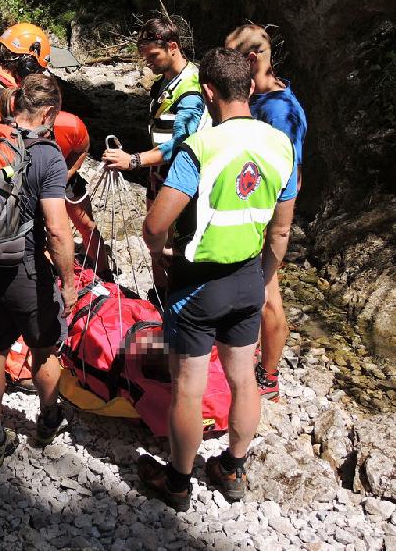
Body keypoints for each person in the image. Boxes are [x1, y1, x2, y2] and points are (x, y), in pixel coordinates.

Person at [139, 47, 297, 510]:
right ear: (249, 87)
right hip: (249, 278)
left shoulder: (201, 147)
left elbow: (155, 224)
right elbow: (281, 230)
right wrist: (264, 277)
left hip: (199, 284)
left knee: (188, 385)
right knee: (244, 378)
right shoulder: (281, 145)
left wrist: (161, 253)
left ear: (208, 92)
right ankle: (232, 467)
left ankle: (177, 482)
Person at [0, 74, 77, 471]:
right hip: (26, 269)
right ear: (47, 112)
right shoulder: (48, 156)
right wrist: (68, 282)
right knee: (43, 346)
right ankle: (48, 421)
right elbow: (57, 229)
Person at [224, 24, 308, 399]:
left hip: (265, 215)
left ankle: (269, 377)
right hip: (248, 209)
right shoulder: (260, 98)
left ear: (251, 58)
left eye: (233, 58)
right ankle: (248, 357)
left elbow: (290, 176)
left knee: (266, 292)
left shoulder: (280, 111)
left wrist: (272, 229)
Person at [102, 17, 206, 303]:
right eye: (144, 56)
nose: (147, 62)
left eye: (153, 55)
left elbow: (181, 144)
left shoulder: (191, 89)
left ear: (173, 46)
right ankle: (159, 295)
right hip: (159, 175)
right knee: (156, 242)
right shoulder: (165, 82)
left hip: (181, 180)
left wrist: (133, 161)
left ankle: (175, 300)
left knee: (175, 246)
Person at [52, 110, 111, 275]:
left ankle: (103, 272)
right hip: (34, 180)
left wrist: (69, 172)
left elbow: (83, 147)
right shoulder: (16, 121)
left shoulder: (70, 124)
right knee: (50, 229)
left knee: (87, 225)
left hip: (64, 176)